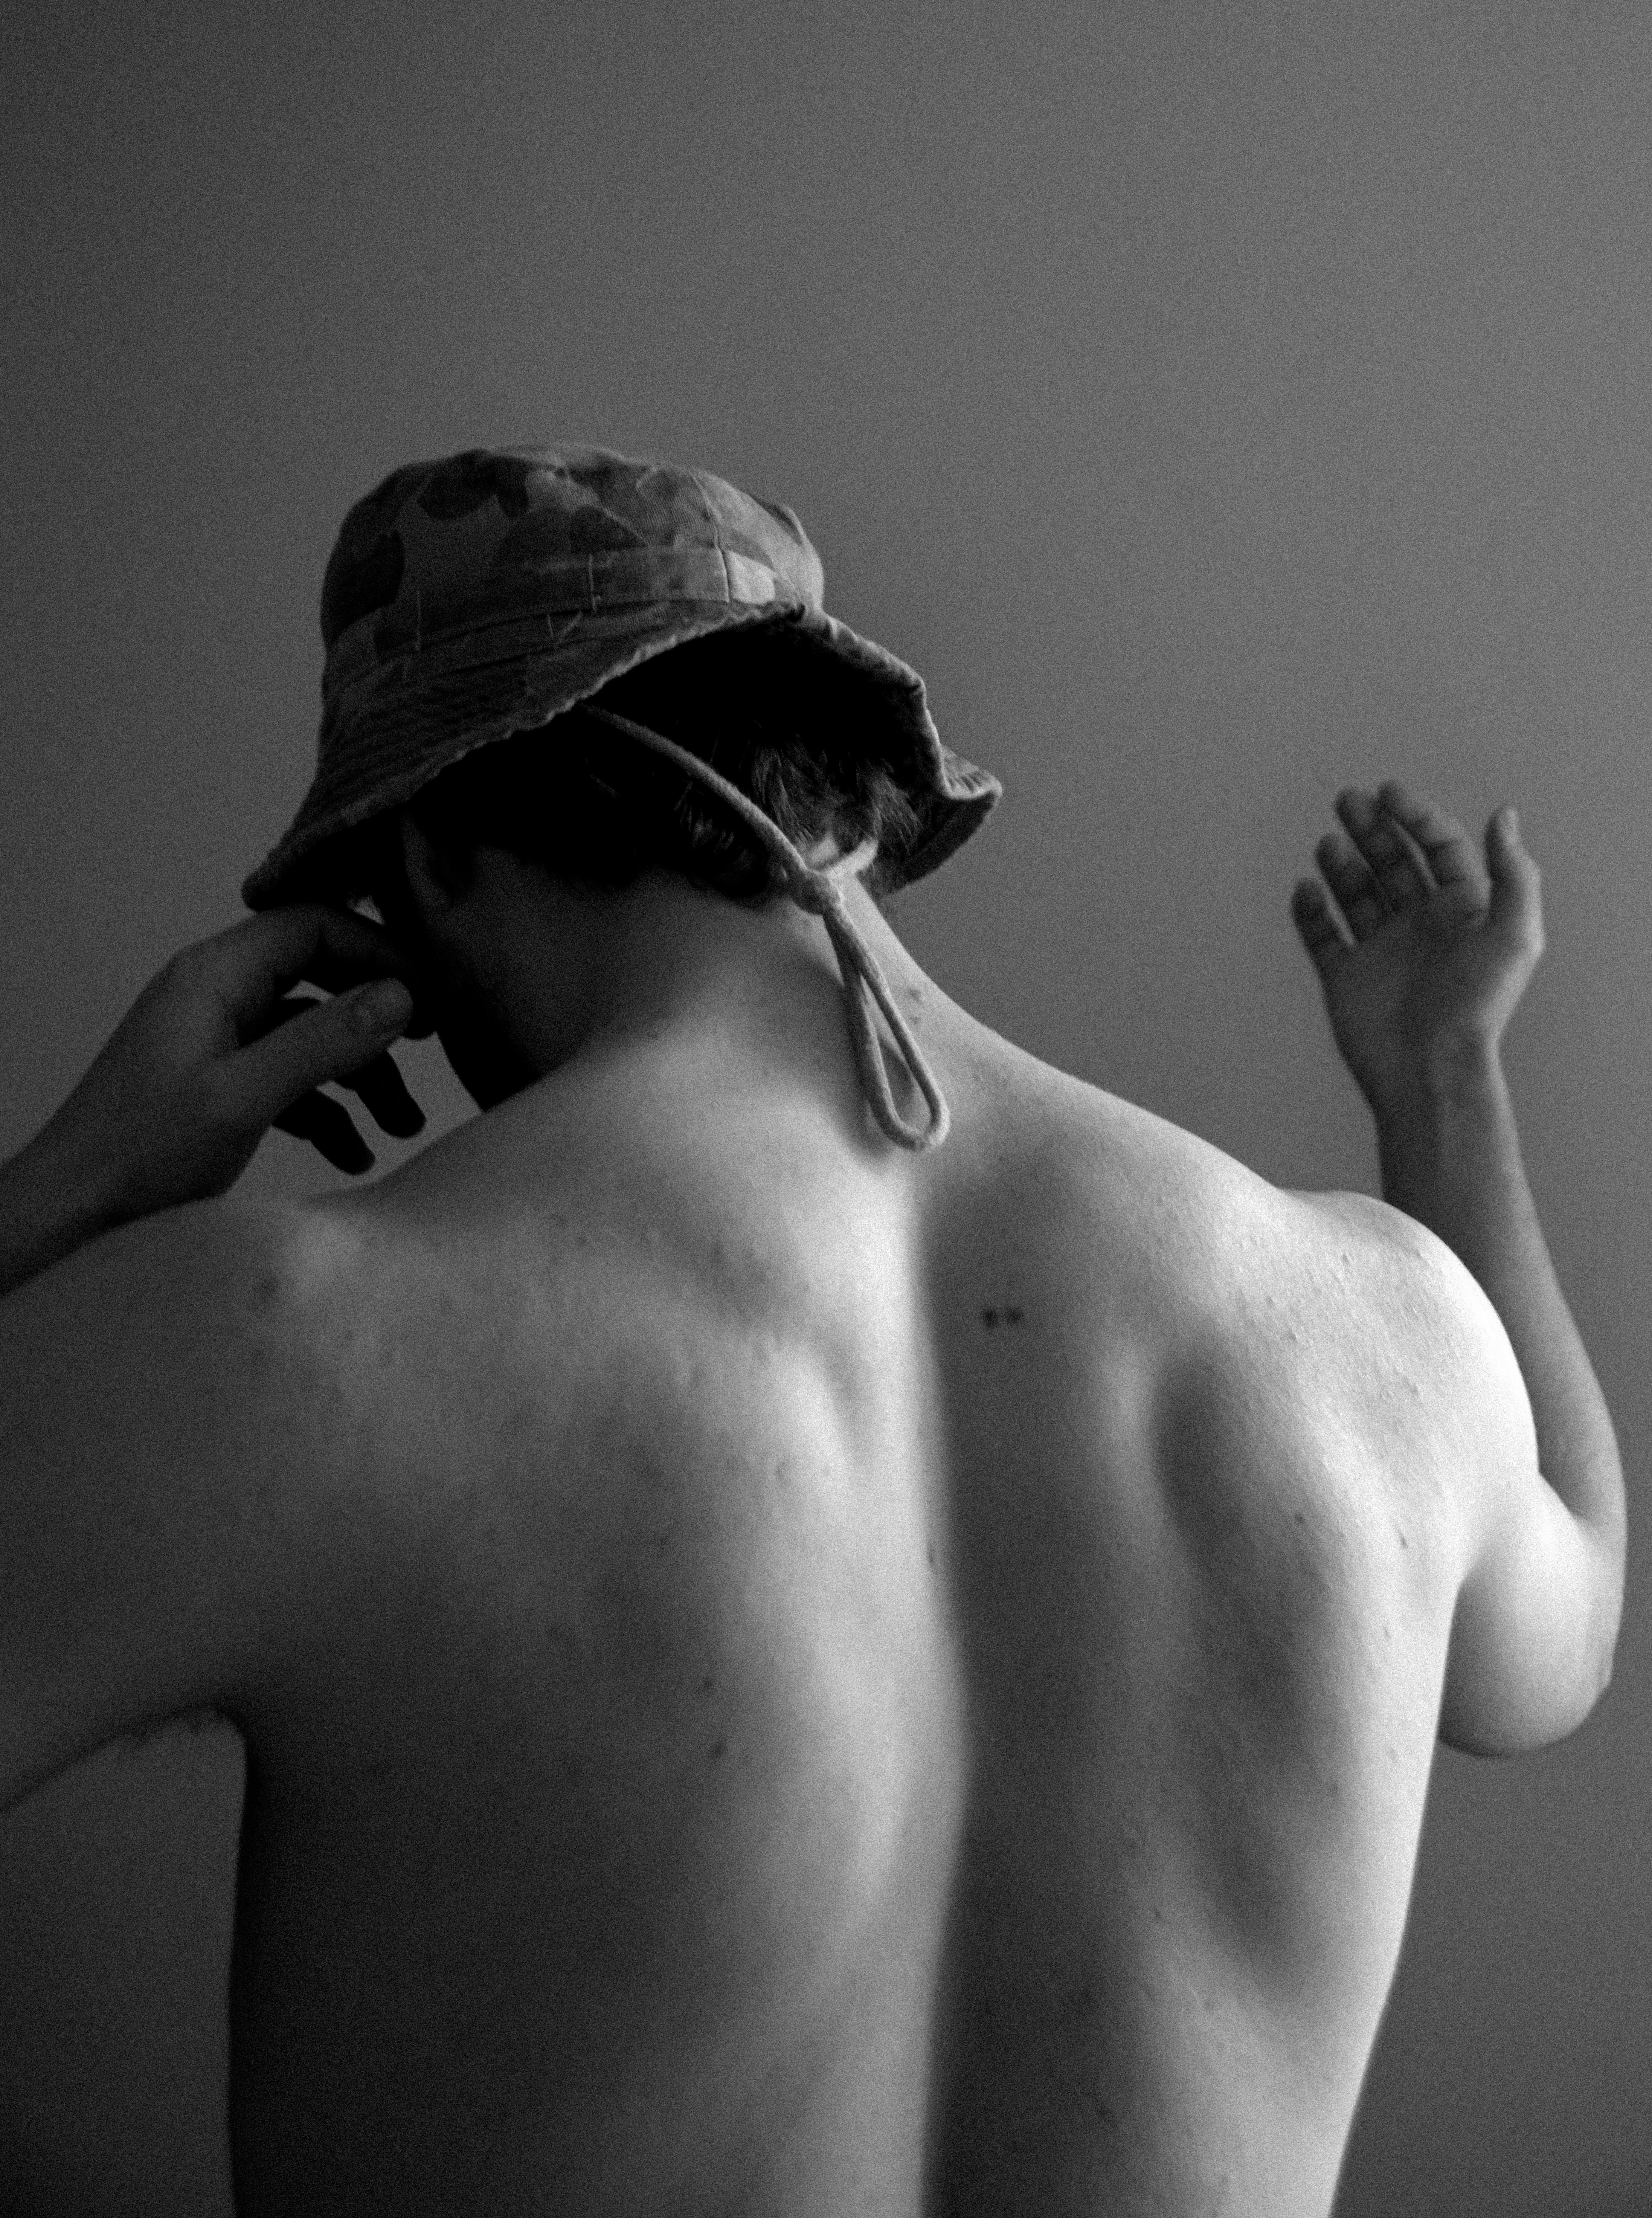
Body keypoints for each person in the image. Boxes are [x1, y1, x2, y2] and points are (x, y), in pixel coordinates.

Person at [0, 446, 1623, 2218]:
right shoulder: (1378, 1329)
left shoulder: (284, 1330)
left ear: (426, 855)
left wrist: (66, 1194)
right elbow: (1569, 1634)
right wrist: (1441, 1081)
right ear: (858, 816)